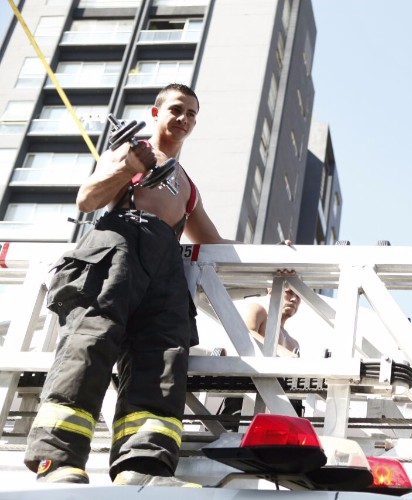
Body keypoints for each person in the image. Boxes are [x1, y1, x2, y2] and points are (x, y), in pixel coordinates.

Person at [25, 83, 234, 487]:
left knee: (162, 358)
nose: (184, 118)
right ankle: (58, 460)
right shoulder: (130, 150)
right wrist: (127, 168)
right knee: (91, 343)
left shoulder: (187, 186)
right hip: (118, 246)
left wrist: (284, 255)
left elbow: (213, 241)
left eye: (192, 113)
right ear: (156, 113)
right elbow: (87, 199)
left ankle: (144, 468)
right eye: (176, 109)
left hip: (166, 266)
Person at [218, 285, 303, 430]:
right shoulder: (258, 310)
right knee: (233, 436)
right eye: (289, 292)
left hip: (276, 407)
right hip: (244, 393)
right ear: (271, 289)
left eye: (298, 295)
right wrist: (284, 353)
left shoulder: (293, 342)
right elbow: (244, 333)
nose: (294, 299)